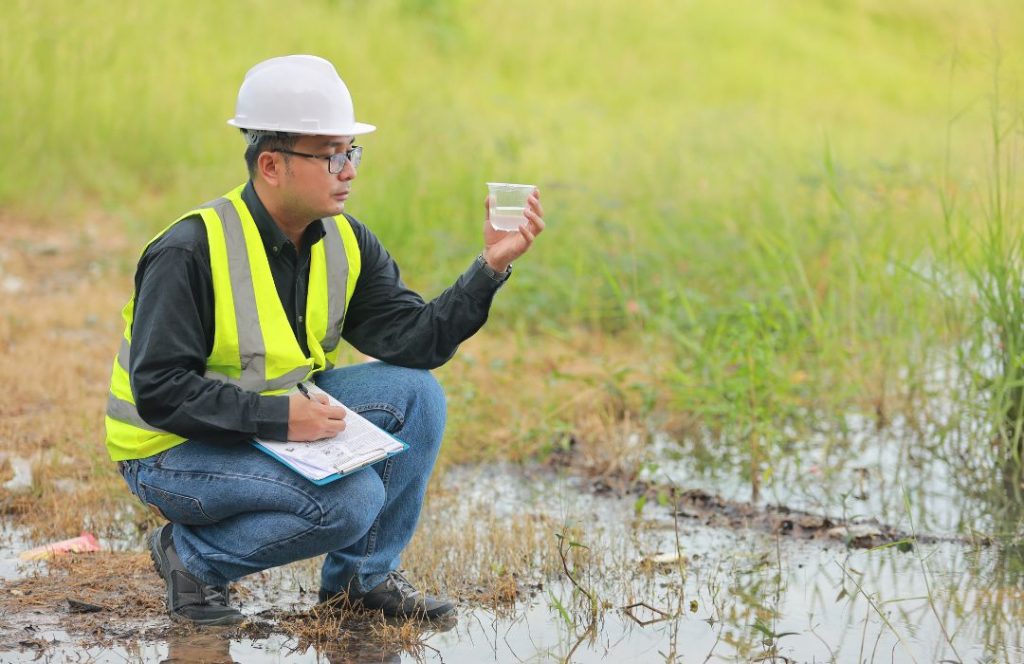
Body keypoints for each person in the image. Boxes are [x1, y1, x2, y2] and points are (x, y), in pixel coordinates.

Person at [105, 54, 544, 626]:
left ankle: (362, 581)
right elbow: (160, 392)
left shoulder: (344, 240)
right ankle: (192, 557)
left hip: (270, 424)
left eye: (352, 152)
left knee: (417, 394)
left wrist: (488, 268)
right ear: (271, 164)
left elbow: (417, 343)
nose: (350, 170)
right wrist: (281, 419)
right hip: (169, 452)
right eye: (333, 155)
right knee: (352, 499)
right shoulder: (189, 250)